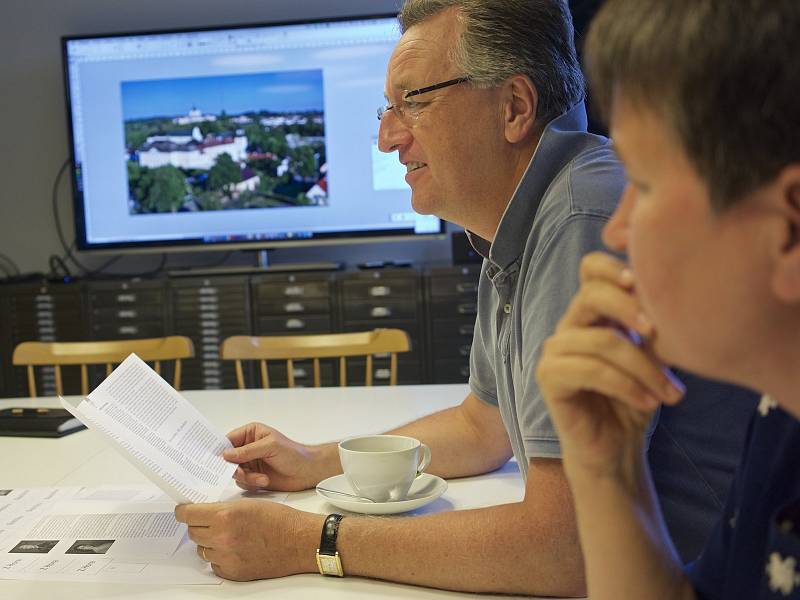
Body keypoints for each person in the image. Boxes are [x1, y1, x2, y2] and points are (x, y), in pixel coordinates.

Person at [174, 0, 753, 594]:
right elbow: (484, 427)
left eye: (414, 102)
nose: (386, 138)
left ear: (515, 107)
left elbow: (563, 548)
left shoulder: (581, 212)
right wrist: (317, 460)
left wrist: (308, 540)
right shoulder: (519, 213)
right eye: (388, 108)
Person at [535, 0, 800, 598]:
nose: (616, 231)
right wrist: (607, 468)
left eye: (643, 185)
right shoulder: (782, 413)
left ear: (789, 229)